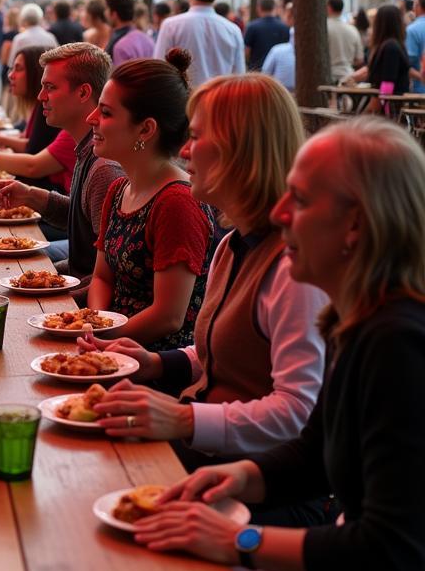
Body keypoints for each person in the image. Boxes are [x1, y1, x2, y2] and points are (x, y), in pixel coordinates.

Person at [73, 117, 425, 571]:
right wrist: (237, 478)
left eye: (302, 200)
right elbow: (313, 453)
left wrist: (240, 538)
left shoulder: (399, 342)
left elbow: (393, 555)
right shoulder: (361, 316)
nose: (282, 213)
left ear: (355, 226)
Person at [88, 74, 326, 469]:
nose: (184, 150)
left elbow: (297, 410)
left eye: (197, 138)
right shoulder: (235, 244)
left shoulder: (292, 267)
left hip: (245, 470)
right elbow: (223, 352)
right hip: (204, 440)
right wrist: (159, 363)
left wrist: (184, 418)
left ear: (241, 150)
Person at [87, 50, 217, 352]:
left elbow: (168, 317)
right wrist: (94, 322)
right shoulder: (119, 189)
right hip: (111, 345)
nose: (91, 118)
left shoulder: (177, 202)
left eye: (105, 113)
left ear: (146, 129)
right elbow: (102, 277)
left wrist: (103, 340)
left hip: (156, 363)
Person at [0, 42, 122, 284]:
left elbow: (107, 276)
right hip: (80, 277)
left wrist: (53, 288)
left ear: (83, 93)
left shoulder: (104, 166)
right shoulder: (85, 147)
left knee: (6, 265)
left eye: (49, 87)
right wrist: (30, 195)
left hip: (89, 297)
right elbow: (81, 219)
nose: (41, 96)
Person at [0, 46, 76, 193]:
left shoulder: (71, 130)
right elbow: (31, 145)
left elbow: (33, 165)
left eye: (18, 69)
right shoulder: (45, 110)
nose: (11, 75)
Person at [155, 0, 245, 88]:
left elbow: (160, 68)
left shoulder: (171, 26)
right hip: (220, 101)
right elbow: (239, 76)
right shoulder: (233, 30)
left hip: (184, 102)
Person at [105, 0, 154, 65]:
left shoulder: (120, 46)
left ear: (114, 14)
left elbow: (119, 76)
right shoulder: (148, 39)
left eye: (107, 9)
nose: (105, 13)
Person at [244, 0, 290, 71]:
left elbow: (246, 51)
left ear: (259, 8)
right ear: (274, 8)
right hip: (278, 71)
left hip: (257, 72)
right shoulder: (284, 27)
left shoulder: (252, 27)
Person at [326, 0, 362, 85]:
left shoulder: (323, 28)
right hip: (348, 76)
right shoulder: (352, 29)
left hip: (328, 76)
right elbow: (359, 59)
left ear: (329, 8)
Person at [262, 12, 296, 92]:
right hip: (281, 91)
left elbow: (266, 71)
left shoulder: (277, 50)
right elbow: (266, 73)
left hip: (280, 91)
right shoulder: (278, 50)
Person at [405, 0, 425, 92]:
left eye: (414, 4)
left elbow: (408, 62)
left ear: (418, 7)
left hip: (420, 90)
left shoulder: (412, 30)